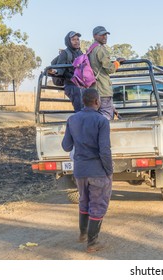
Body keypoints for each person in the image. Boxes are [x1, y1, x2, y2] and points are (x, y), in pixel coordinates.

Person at [61, 88, 113, 253]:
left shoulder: (72, 119)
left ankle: (83, 233)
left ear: (83, 101)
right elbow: (104, 150)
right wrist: (109, 170)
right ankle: (92, 243)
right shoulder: (102, 121)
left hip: (80, 171)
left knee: (84, 201)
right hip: (97, 170)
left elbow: (66, 146)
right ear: (97, 102)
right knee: (98, 204)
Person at [88, 26, 125, 120]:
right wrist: (117, 62)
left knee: (95, 119)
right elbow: (110, 69)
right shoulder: (100, 49)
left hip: (94, 90)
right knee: (106, 120)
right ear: (95, 36)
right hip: (103, 90)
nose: (105, 37)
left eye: (105, 34)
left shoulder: (90, 49)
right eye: (102, 35)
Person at [49, 31, 84, 112]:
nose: (76, 41)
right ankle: (79, 122)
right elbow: (60, 68)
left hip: (81, 84)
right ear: (68, 41)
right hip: (71, 84)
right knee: (79, 107)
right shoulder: (65, 53)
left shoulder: (80, 53)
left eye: (78, 39)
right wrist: (55, 71)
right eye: (73, 39)